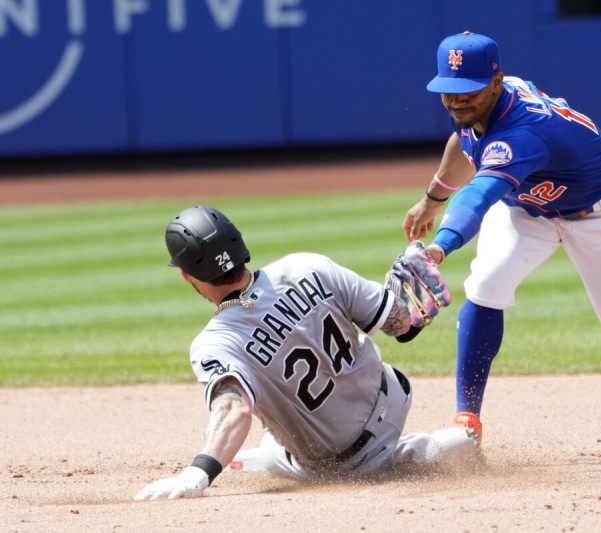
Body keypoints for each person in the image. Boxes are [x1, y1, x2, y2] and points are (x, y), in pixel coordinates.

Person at [403, 31, 601, 453]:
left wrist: (438, 248)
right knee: (487, 284)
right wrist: (433, 198)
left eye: (468, 92)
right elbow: (465, 140)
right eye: (449, 92)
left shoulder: (526, 131)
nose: (457, 102)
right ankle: (466, 419)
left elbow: (480, 194)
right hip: (530, 208)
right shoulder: (483, 108)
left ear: (496, 82)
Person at [134, 205, 477, 501]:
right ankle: (428, 447)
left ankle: (422, 451)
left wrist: (199, 473)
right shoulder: (307, 265)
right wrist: (414, 313)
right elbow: (402, 326)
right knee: (275, 447)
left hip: (344, 461)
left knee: (280, 449)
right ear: (240, 245)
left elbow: (234, 410)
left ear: (185, 274)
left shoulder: (216, 341)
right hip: (394, 394)